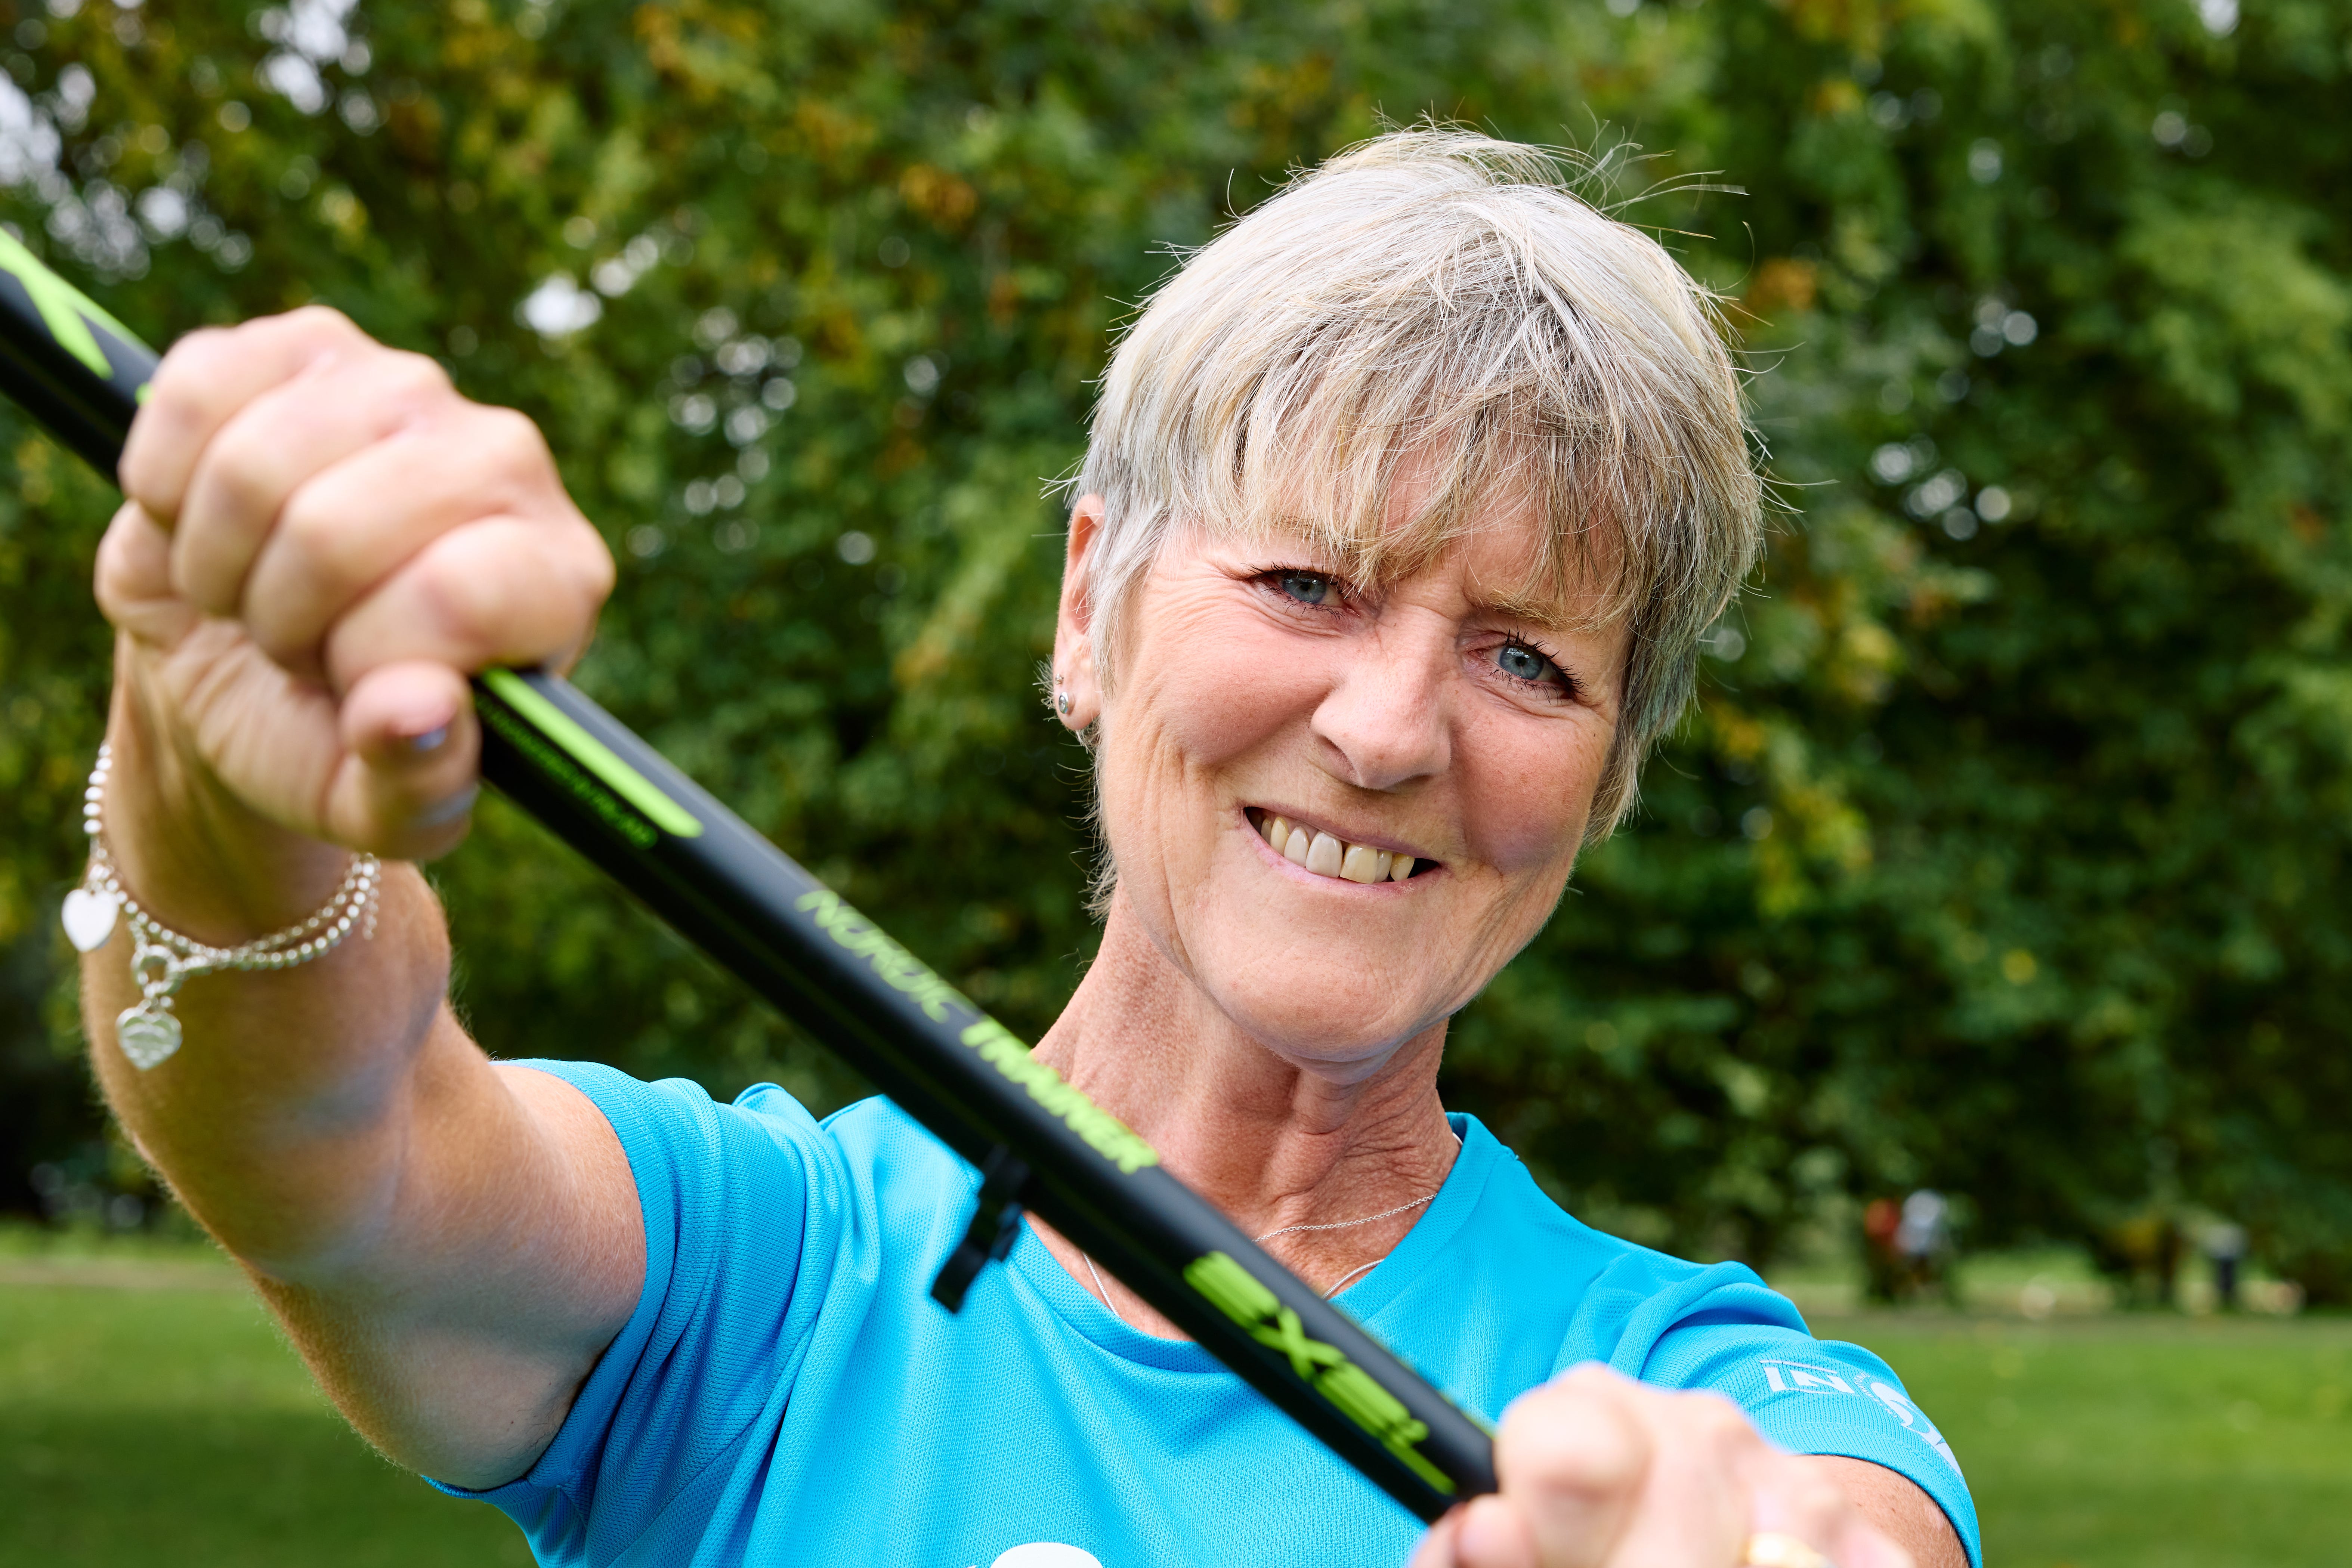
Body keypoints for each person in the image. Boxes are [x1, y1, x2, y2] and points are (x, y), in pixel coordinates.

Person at [75, 130, 1976, 1568]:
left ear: (1605, 774)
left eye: (1525, 658)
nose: (1393, 732)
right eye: (1306, 582)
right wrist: (214, 777)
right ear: (1090, 609)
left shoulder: (1674, 1372)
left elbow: (1839, 1529)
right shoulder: (762, 1273)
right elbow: (327, 1142)